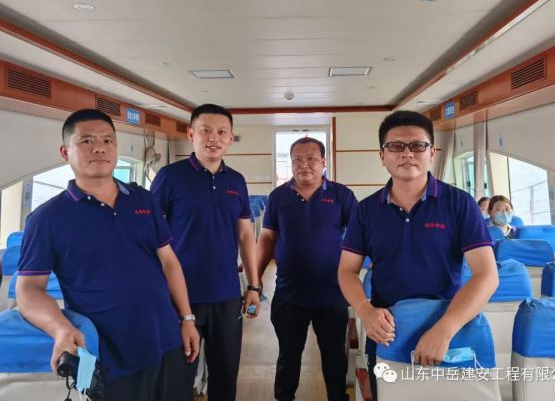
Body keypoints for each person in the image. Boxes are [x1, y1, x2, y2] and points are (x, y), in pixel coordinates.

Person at [16, 109, 199, 401]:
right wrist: (60, 328)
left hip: (166, 340)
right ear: (65, 152)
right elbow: (28, 290)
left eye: (107, 140)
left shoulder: (143, 200)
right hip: (108, 353)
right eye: (86, 141)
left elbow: (168, 262)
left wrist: (187, 318)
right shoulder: (47, 219)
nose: (99, 147)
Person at [338, 110, 498, 401]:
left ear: (432, 153)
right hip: (387, 331)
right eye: (396, 146)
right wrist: (364, 310)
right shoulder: (367, 210)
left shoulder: (459, 204)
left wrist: (445, 329)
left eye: (417, 145)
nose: (407, 153)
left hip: (449, 327)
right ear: (382, 155)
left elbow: (487, 275)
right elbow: (347, 270)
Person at [150, 103, 260, 401]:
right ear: (191, 135)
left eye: (222, 132)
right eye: (206, 131)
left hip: (226, 294)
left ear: (230, 138)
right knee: (178, 379)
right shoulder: (169, 177)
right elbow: (151, 236)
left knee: (225, 377)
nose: (214, 138)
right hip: (180, 296)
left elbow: (245, 234)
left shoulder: (235, 180)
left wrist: (253, 285)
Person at [257, 137, 358, 401]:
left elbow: (360, 238)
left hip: (332, 293)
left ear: (324, 162)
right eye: (297, 160)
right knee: (288, 356)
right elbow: (266, 238)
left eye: (311, 159)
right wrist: (255, 281)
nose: (304, 165)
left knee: (334, 358)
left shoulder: (342, 195)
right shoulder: (278, 196)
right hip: (289, 294)